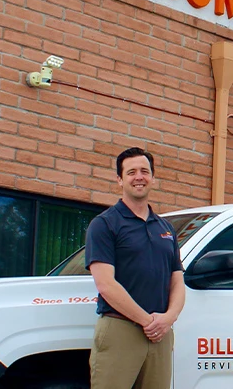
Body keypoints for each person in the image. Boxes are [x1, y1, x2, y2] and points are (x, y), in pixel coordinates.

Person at [84, 147, 185, 389]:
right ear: (119, 179)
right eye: (131, 172)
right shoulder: (104, 224)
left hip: (160, 333)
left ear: (153, 178)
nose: (138, 177)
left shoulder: (166, 229)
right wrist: (147, 322)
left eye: (144, 171)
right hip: (121, 329)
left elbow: (177, 282)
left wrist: (168, 319)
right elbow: (106, 284)